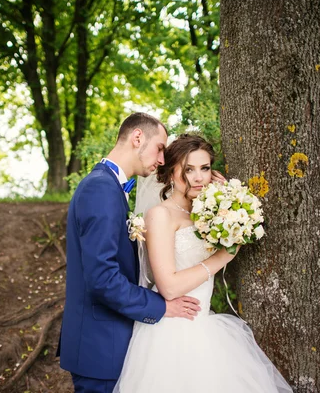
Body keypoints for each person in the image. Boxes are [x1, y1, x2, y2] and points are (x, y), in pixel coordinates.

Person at [113, 133, 293, 392]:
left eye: (205, 168)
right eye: (188, 169)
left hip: (205, 325)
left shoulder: (206, 211)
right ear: (170, 172)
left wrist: (226, 197)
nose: (199, 177)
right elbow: (170, 287)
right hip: (172, 332)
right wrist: (223, 257)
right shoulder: (161, 215)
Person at [59, 114, 206, 393]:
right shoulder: (101, 188)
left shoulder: (108, 186)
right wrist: (162, 306)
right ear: (137, 138)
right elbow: (103, 279)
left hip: (109, 345)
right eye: (160, 148)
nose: (162, 159)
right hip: (100, 348)